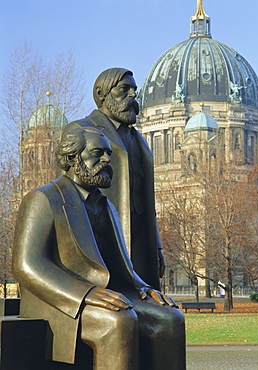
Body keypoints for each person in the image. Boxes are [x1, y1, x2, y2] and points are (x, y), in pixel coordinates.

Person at [12, 127, 185, 370]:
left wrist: (143, 287)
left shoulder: (106, 206)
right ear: (72, 158)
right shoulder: (43, 198)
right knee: (118, 322)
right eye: (97, 153)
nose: (106, 160)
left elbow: (118, 264)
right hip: (59, 299)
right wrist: (85, 293)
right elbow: (27, 265)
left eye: (108, 154)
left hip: (102, 295)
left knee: (170, 319)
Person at [63, 68, 164, 290]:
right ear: (102, 94)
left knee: (148, 308)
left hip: (138, 239)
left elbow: (148, 202)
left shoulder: (140, 141)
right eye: (124, 89)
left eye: (134, 90)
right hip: (100, 239)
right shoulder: (80, 129)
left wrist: (156, 246)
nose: (133, 95)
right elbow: (67, 192)